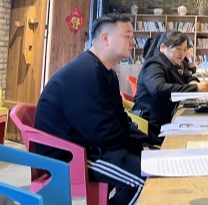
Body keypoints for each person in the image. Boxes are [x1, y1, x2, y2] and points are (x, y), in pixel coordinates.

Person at [35, 14, 153, 205]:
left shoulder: (107, 73)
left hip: (92, 147)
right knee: (148, 179)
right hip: (71, 156)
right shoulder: (84, 73)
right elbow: (102, 132)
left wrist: (143, 144)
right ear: (105, 38)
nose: (133, 42)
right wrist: (139, 149)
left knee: (152, 166)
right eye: (127, 36)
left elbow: (120, 120)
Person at [132, 31, 208, 139]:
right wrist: (195, 88)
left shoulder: (173, 63)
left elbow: (187, 77)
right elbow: (158, 89)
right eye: (178, 49)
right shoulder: (154, 64)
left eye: (184, 49)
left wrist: (193, 82)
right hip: (153, 125)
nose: (182, 53)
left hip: (166, 117)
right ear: (163, 47)